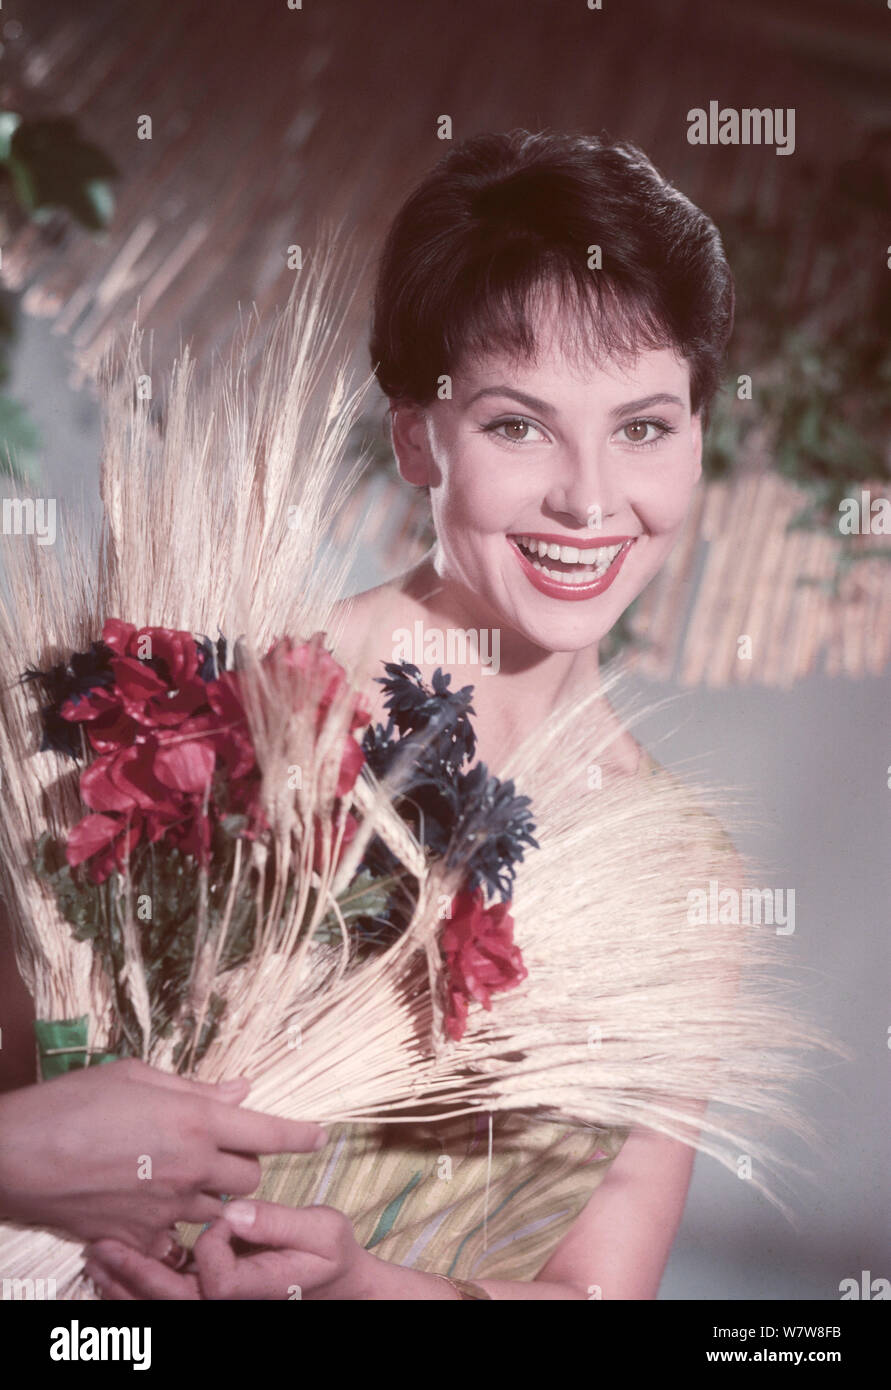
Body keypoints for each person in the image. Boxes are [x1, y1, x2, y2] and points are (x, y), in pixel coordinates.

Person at [71, 128, 755, 1299]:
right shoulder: (209, 716)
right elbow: (35, 1107)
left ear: (697, 437)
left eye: (643, 425)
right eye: (517, 423)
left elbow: (598, 1291)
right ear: (416, 438)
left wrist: (355, 1289)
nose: (591, 498)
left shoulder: (687, 885)